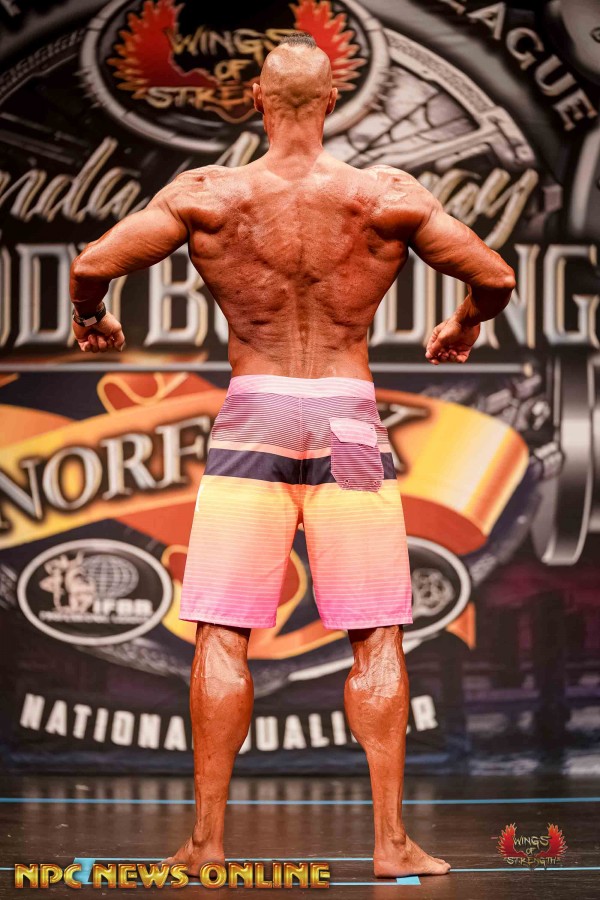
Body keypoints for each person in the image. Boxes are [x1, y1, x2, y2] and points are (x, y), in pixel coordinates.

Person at [69, 33, 515, 878]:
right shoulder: (383, 195)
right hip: (347, 418)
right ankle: (389, 844)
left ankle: (207, 844)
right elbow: (493, 276)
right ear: (334, 103)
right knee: (375, 633)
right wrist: (463, 324)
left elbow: (92, 264)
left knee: (222, 631)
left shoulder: (211, 193)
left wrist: (94, 317)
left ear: (256, 103)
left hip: (253, 417)